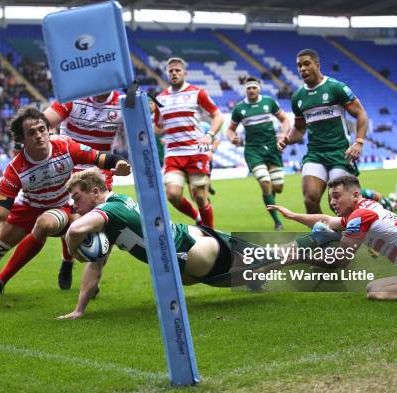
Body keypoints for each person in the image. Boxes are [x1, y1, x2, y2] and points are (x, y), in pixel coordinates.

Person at [0, 106, 131, 300]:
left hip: (59, 207)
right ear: (22, 139)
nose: (39, 135)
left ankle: (1, 281)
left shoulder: (65, 147)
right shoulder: (15, 170)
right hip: (27, 208)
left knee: (46, 223)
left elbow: (100, 157)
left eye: (42, 129)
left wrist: (118, 164)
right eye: (32, 133)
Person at [56, 169, 273, 320]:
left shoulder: (111, 211)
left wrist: (73, 250)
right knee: (260, 259)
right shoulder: (116, 205)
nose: (75, 206)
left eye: (77, 198)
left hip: (189, 252)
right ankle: (295, 255)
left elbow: (74, 231)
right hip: (189, 236)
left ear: (95, 192)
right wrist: (79, 309)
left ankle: (301, 252)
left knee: (262, 265)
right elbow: (95, 267)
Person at [269, 175, 397, 305]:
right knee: (375, 289)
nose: (332, 201)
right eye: (331, 197)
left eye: (336, 196)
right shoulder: (362, 209)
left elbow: (339, 260)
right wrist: (293, 216)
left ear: (355, 195)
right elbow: (326, 219)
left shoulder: (360, 215)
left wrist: (298, 256)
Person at [43, 91, 124, 289]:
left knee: (104, 225)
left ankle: (93, 278)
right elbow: (44, 122)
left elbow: (146, 129)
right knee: (74, 222)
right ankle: (67, 260)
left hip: (101, 170)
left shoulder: (121, 103)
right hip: (72, 170)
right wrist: (51, 136)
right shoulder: (72, 96)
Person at [278, 49, 368, 214]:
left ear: (317, 65)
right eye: (299, 66)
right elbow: (299, 129)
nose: (302, 69)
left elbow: (361, 113)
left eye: (306, 64)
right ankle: (325, 238)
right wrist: (287, 139)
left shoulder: (336, 88)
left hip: (340, 153)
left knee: (338, 203)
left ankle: (357, 222)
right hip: (315, 154)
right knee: (310, 199)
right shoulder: (298, 98)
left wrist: (359, 142)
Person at [154, 57, 224, 228]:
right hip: (173, 154)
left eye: (177, 70)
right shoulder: (160, 98)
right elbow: (157, 128)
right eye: (170, 71)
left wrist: (209, 134)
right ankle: (198, 218)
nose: (174, 73)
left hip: (195, 152)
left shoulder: (196, 92)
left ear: (185, 73)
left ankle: (211, 235)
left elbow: (218, 115)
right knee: (172, 195)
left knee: (200, 196)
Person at [227, 76, 291, 230]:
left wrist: (283, 134)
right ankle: (277, 221)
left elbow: (285, 120)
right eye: (248, 88)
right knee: (265, 182)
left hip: (272, 149)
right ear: (245, 90)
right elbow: (230, 129)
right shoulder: (239, 108)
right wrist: (233, 138)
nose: (251, 90)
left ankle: (270, 201)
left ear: (259, 88)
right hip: (252, 151)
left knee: (278, 187)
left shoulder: (269, 102)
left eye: (254, 87)